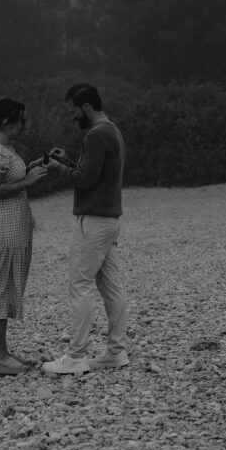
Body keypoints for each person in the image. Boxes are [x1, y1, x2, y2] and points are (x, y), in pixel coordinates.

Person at [42, 83, 129, 375]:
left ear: (87, 108)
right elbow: (93, 173)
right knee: (111, 287)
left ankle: (76, 357)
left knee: (79, 286)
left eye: (73, 112)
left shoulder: (96, 134)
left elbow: (84, 180)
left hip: (92, 221)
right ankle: (116, 352)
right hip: (110, 221)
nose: (71, 117)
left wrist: (58, 169)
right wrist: (67, 161)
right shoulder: (113, 131)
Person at [0, 97, 47, 375]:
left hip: (12, 226)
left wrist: (31, 167)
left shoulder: (6, 150)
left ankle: (3, 352)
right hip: (2, 228)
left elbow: (9, 181)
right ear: (6, 123)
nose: (24, 126)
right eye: (21, 121)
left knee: (4, 285)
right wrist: (28, 181)